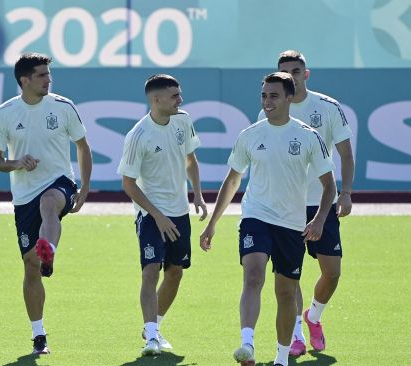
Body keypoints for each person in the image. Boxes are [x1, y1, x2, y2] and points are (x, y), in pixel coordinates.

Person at [200, 72, 336, 366]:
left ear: (290, 97)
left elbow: (329, 185)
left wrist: (320, 219)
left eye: (274, 95)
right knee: (253, 274)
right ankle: (246, 344)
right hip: (256, 216)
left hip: (291, 224)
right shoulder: (250, 135)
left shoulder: (307, 136)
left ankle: (282, 357)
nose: (267, 101)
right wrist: (212, 222)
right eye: (264, 95)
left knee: (286, 292)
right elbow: (233, 180)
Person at [0, 53, 92, 355]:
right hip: (23, 197)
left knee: (49, 202)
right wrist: (17, 162)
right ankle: (38, 334)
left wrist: (83, 188)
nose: (49, 80)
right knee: (30, 268)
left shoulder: (63, 106)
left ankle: (50, 250)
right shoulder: (6, 113)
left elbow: (83, 146)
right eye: (42, 75)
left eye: (49, 74)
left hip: (60, 184)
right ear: (24, 80)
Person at [257, 50, 355, 356]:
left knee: (332, 272)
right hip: (286, 207)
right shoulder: (267, 112)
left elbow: (346, 153)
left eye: (296, 72)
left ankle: (313, 317)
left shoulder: (327, 108)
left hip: (321, 204)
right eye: (285, 72)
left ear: (305, 74)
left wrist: (347, 192)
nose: (291, 77)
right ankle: (296, 335)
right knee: (290, 273)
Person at [117, 74, 207, 356]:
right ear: (156, 100)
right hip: (151, 214)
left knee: (176, 272)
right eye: (174, 96)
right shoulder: (138, 135)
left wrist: (198, 194)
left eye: (180, 94)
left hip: (179, 212)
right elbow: (128, 183)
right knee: (150, 270)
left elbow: (191, 160)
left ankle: (154, 325)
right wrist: (156, 215)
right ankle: (152, 338)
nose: (180, 100)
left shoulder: (183, 120)